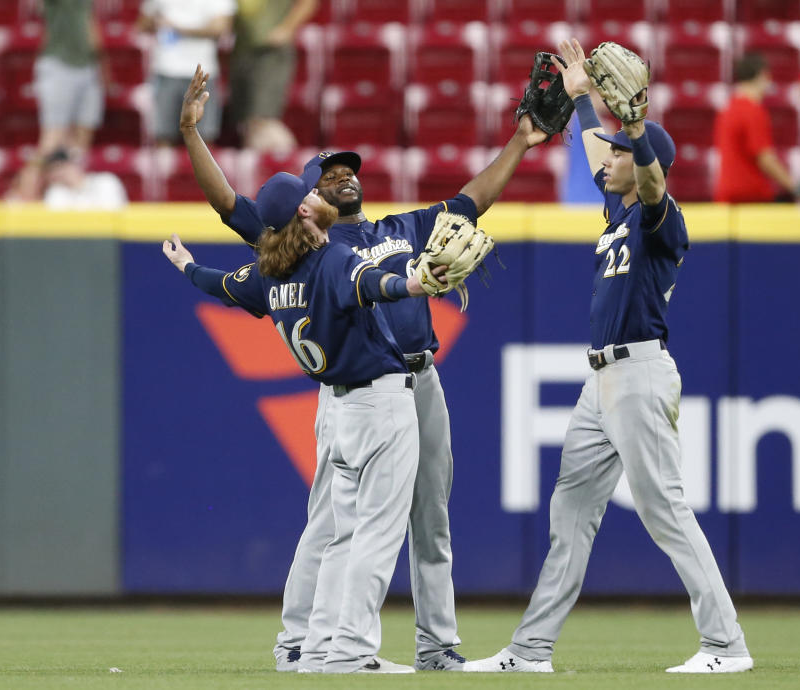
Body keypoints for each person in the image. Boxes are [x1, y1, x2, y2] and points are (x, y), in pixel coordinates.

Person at [178, 65, 547, 672]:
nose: (344, 175)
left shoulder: (401, 227)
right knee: (332, 526)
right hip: (354, 390)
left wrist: (520, 143)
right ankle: (302, 643)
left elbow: (471, 200)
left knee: (431, 521)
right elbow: (228, 204)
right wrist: (193, 134)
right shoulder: (300, 246)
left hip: (418, 381)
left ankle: (436, 647)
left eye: (350, 168)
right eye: (329, 174)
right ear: (308, 199)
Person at [464, 38, 753, 675]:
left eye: (619, 153)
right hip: (602, 382)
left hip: (640, 373)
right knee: (570, 510)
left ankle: (726, 645)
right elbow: (612, 153)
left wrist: (637, 128)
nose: (608, 158)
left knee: (665, 510)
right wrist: (588, 96)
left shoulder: (658, 214)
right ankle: (531, 650)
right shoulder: (616, 203)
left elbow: (648, 175)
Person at [163, 168, 449, 673]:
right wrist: (413, 282)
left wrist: (186, 266)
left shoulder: (269, 272)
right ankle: (352, 651)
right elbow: (373, 283)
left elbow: (220, 285)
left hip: (337, 412)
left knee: (341, 535)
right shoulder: (331, 258)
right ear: (304, 211)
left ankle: (317, 649)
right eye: (312, 193)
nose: (319, 194)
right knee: (377, 536)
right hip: (378, 404)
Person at [137, 0, 235, 145]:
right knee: (163, 136)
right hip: (165, 69)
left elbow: (221, 27)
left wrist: (175, 27)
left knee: (204, 137)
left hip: (203, 73)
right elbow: (142, 23)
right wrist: (157, 22)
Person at [230, 0, 319, 152]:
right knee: (248, 124)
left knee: (263, 121)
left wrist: (287, 29)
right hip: (243, 50)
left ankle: (291, 165)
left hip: (271, 52)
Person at [714, 53, 795, 203]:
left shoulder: (727, 109)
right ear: (764, 75)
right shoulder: (753, 111)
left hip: (727, 194)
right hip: (751, 195)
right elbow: (765, 158)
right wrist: (795, 186)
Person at [34, 0, 104, 157]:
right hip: (60, 64)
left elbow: (90, 25)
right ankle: (27, 181)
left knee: (81, 140)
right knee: (53, 139)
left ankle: (66, 180)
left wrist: (103, 65)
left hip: (89, 66)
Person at [42, 148, 128, 210]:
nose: (58, 173)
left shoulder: (106, 181)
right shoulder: (55, 191)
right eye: (52, 170)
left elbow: (115, 212)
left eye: (60, 167)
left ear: (74, 164)